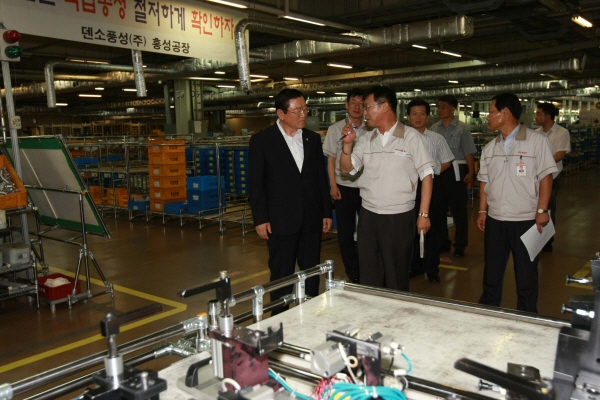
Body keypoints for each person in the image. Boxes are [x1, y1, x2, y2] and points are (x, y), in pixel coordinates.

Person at [339, 86, 434, 291]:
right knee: (369, 274)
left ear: (384, 107)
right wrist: (347, 146)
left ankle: (397, 311)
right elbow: (346, 169)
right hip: (368, 216)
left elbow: (427, 175)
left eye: (367, 107)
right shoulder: (366, 138)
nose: (364, 112)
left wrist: (423, 214)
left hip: (398, 217)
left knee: (396, 276)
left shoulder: (411, 137)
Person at [249, 89, 332, 314]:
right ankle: (280, 318)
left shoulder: (312, 139)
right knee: (281, 273)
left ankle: (312, 314)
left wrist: (326, 211)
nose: (303, 114)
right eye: (297, 111)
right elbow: (256, 183)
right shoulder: (262, 141)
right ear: (281, 113)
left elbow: (320, 179)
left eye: (305, 109)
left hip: (311, 217)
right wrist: (260, 218)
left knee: (311, 272)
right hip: (280, 219)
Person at [477, 93, 557, 313]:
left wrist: (542, 209)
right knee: (492, 272)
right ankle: (488, 311)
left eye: (491, 112)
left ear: (505, 113)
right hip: (496, 220)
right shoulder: (490, 148)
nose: (487, 117)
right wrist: (482, 210)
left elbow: (546, 177)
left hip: (526, 220)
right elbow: (484, 181)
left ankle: (527, 314)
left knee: (526, 274)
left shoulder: (536, 141)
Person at [406, 99, 454, 283]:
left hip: (432, 187)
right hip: (408, 188)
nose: (418, 117)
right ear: (408, 117)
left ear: (427, 117)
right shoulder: (402, 138)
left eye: (422, 114)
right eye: (414, 114)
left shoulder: (436, 138)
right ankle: (415, 266)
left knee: (433, 230)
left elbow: (448, 160)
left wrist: (432, 171)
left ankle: (432, 269)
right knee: (411, 229)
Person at [322, 89, 365, 283]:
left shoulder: (371, 129)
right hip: (343, 186)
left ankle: (367, 268)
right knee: (346, 232)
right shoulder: (335, 129)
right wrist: (333, 185)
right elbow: (331, 159)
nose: (357, 107)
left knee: (366, 231)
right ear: (346, 105)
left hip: (366, 187)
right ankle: (353, 272)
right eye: (353, 102)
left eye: (361, 103)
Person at [431, 95, 477, 257]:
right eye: (439, 106)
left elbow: (468, 151)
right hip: (439, 170)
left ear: (452, 109)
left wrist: (471, 172)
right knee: (439, 209)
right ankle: (442, 242)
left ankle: (460, 244)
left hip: (457, 170)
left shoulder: (462, 128)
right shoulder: (434, 128)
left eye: (443, 106)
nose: (440, 109)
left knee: (458, 210)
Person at [534, 102, 571, 252]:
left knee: (548, 207)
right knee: (535, 207)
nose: (535, 117)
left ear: (547, 116)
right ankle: (536, 237)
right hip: (535, 177)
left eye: (538, 114)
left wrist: (542, 164)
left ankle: (547, 241)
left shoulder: (561, 133)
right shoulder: (535, 134)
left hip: (552, 176)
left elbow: (560, 154)